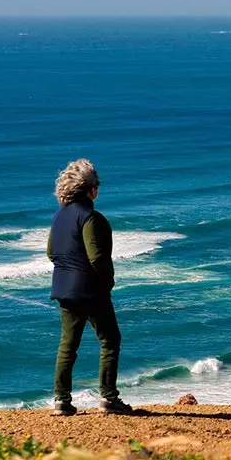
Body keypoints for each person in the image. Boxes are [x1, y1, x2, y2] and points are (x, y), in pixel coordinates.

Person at [46, 159, 134, 416]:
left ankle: (61, 401)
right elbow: (96, 256)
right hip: (90, 288)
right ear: (89, 188)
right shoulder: (90, 218)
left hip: (64, 288)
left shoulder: (58, 217)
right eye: (97, 184)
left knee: (68, 346)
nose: (98, 189)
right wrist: (108, 281)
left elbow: (51, 252)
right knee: (110, 339)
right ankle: (109, 398)